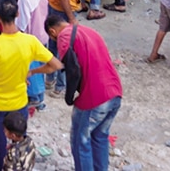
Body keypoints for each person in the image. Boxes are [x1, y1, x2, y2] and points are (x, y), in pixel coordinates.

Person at [0, 0, 62, 171]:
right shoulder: (29, 41)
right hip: (20, 104)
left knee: (0, 149)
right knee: (19, 145)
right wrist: (32, 72)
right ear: (17, 13)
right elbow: (56, 64)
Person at [44, 13, 123, 171]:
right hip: (114, 92)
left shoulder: (64, 38)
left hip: (94, 98)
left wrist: (70, 97)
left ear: (52, 32)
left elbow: (66, 70)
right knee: (99, 137)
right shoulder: (88, 30)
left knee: (81, 142)